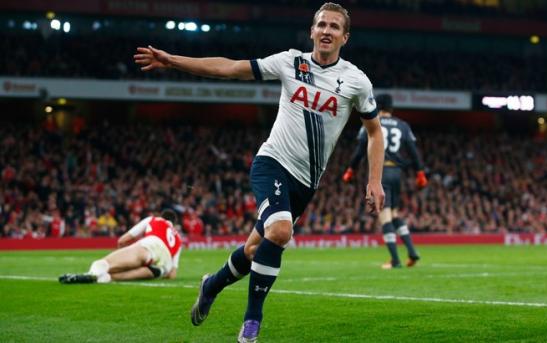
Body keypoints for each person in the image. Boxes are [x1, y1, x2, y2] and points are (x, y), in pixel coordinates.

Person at [134, 3, 385, 342]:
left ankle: (212, 284)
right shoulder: (290, 62)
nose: (327, 31)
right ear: (311, 31)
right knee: (280, 232)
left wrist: (374, 180)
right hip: (271, 162)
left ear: (345, 37)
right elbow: (230, 68)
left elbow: (375, 132)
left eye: (334, 27)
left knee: (255, 251)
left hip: (306, 182)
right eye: (321, 24)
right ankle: (252, 323)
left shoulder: (356, 81)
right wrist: (173, 60)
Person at [343, 94, 428, 269]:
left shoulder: (371, 123)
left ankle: (395, 260)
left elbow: (360, 150)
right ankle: (412, 252)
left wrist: (351, 170)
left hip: (381, 173)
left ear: (377, 105)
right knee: (394, 215)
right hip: (398, 173)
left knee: (384, 217)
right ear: (391, 107)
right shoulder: (403, 125)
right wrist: (420, 172)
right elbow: (413, 151)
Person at [58, 209, 182, 283]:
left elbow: (123, 240)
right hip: (162, 267)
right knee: (112, 276)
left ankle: (90, 274)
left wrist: (124, 255)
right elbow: (172, 274)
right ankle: (103, 278)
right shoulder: (179, 240)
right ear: (174, 223)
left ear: (162, 216)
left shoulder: (153, 220)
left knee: (102, 264)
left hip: (149, 246)